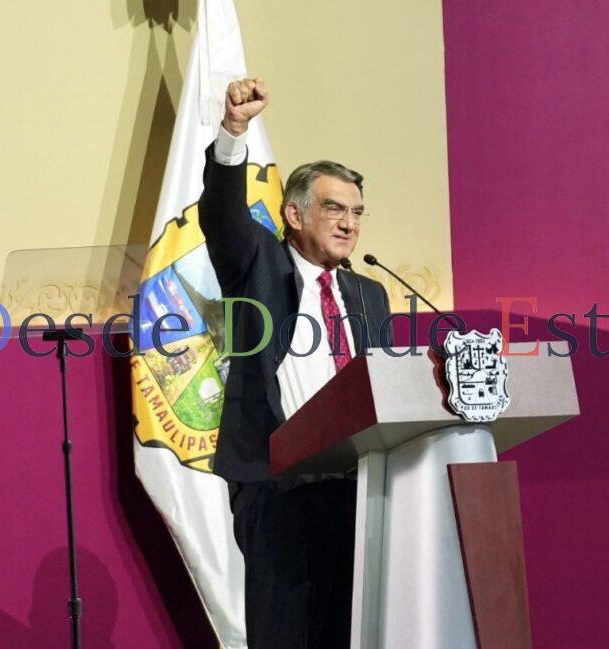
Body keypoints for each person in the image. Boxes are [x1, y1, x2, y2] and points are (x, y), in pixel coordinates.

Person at [198, 77, 394, 649]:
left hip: (358, 485)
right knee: (285, 633)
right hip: (279, 485)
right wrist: (234, 131)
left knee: (351, 632)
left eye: (357, 212)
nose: (349, 224)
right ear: (294, 214)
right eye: (333, 208)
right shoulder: (257, 263)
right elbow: (222, 216)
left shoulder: (370, 294)